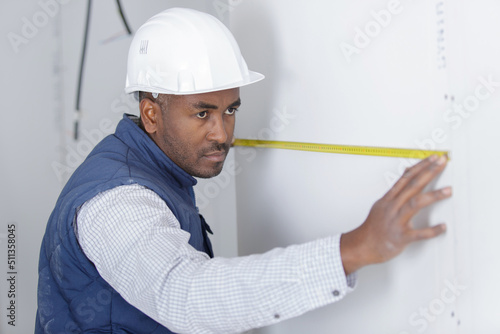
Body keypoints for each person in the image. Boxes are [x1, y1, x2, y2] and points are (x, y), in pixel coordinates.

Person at [35, 7, 451, 334]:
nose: (222, 133)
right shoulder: (117, 202)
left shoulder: (152, 168)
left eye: (230, 109)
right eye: (202, 113)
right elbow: (185, 296)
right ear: (150, 114)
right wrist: (355, 248)